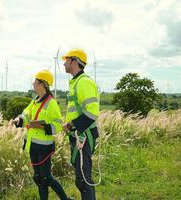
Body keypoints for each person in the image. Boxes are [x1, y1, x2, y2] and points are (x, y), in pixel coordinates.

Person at [11, 70, 71, 200]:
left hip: (44, 147)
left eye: (35, 82)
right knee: (38, 178)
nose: (33, 84)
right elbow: (26, 114)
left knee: (46, 178)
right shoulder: (35, 100)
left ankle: (65, 199)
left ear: (43, 84)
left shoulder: (52, 103)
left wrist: (43, 126)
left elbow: (58, 124)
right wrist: (19, 119)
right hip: (32, 144)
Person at [61, 49, 100, 200]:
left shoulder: (84, 82)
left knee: (83, 179)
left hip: (84, 135)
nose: (64, 63)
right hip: (78, 135)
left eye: (67, 60)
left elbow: (91, 112)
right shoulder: (76, 82)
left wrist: (71, 125)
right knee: (82, 178)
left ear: (74, 62)